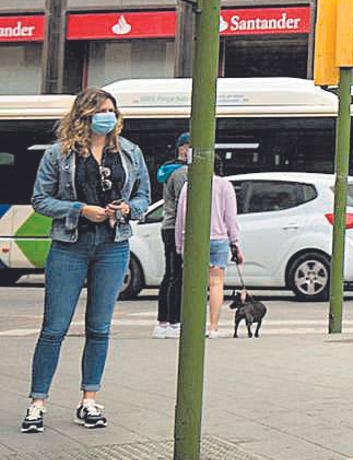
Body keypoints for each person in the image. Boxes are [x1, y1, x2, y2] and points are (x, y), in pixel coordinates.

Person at [23, 88, 150, 433]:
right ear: (84, 116)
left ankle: (89, 400)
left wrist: (127, 210)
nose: (107, 116)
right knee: (54, 328)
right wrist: (80, 210)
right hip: (70, 245)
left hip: (113, 245)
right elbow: (40, 200)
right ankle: (37, 403)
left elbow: (143, 197)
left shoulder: (129, 152)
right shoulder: (60, 154)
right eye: (100, 111)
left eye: (111, 110)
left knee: (99, 328)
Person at [175, 158, 241, 339]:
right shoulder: (225, 186)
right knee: (216, 284)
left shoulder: (189, 187)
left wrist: (180, 244)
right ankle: (213, 327)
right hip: (219, 239)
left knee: (194, 285)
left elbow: (181, 217)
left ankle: (194, 325)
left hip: (193, 240)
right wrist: (235, 242)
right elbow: (231, 218)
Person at [152, 132, 190, 339]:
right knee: (178, 276)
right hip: (178, 227)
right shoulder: (183, 173)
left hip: (168, 226)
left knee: (171, 275)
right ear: (182, 148)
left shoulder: (169, 170)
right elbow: (186, 205)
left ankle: (164, 321)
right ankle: (174, 321)